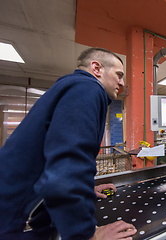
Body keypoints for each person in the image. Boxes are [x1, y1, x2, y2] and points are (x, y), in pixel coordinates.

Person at [0, 48, 137, 240]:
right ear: (96, 68)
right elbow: (68, 165)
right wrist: (87, 234)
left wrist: (86, 189)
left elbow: (57, 156)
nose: (122, 83)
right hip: (13, 221)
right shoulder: (87, 88)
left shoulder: (75, 88)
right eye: (119, 75)